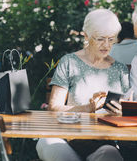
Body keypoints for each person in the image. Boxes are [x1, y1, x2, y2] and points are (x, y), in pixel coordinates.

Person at [36, 9, 129, 161]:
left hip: (103, 142)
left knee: (110, 154)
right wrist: (87, 108)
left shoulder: (120, 69)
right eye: (100, 39)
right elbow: (53, 108)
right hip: (68, 138)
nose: (106, 45)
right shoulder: (69, 62)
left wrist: (121, 113)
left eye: (111, 39)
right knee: (47, 142)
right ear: (86, 36)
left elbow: (130, 112)